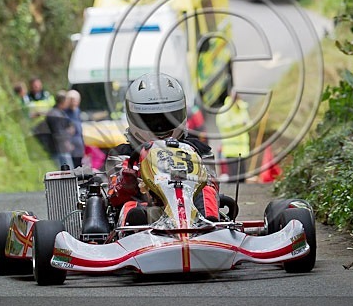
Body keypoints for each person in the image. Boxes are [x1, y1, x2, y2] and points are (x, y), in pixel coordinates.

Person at [106, 73, 221, 226]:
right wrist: (128, 181)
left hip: (192, 211)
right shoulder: (122, 155)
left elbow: (213, 186)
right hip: (146, 218)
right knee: (130, 208)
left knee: (207, 192)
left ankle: (210, 229)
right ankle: (133, 234)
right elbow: (114, 197)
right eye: (151, 120)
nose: (159, 126)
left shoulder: (199, 150)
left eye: (167, 118)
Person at [215, 94, 251, 181]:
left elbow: (248, 122)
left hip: (242, 148)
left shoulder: (242, 108)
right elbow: (223, 125)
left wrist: (246, 124)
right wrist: (238, 123)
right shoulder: (225, 110)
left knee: (242, 175)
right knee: (234, 176)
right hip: (231, 149)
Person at [45, 90, 75, 169]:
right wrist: (67, 140)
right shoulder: (54, 114)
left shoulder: (60, 112)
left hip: (62, 148)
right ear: (63, 101)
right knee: (66, 174)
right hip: (59, 149)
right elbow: (58, 133)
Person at [64, 89, 86, 169]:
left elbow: (80, 130)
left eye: (75, 99)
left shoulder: (78, 111)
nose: (73, 101)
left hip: (79, 146)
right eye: (71, 99)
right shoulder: (64, 112)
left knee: (79, 168)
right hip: (70, 145)